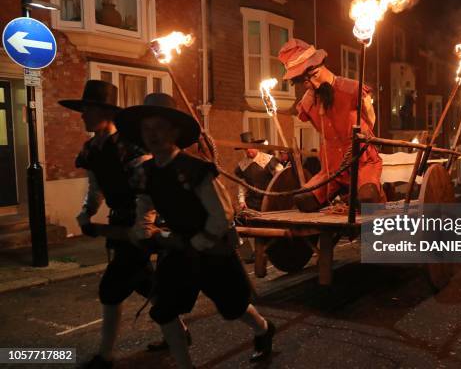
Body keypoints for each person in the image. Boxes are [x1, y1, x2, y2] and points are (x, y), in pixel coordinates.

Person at [115, 93, 275, 368]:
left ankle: (263, 329)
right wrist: (145, 230)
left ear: (174, 132)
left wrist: (198, 242)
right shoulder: (147, 172)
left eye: (160, 128)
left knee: (234, 307)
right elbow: (145, 203)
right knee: (164, 310)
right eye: (147, 129)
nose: (153, 135)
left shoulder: (197, 170)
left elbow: (222, 214)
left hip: (213, 249)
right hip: (178, 251)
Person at [59, 81, 183, 368]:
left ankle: (105, 356)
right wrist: (87, 213)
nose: (82, 115)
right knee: (147, 285)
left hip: (142, 224)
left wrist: (142, 226)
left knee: (111, 288)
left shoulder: (131, 146)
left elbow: (148, 190)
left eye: (87, 109)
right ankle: (179, 334)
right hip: (120, 225)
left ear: (104, 112)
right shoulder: (91, 148)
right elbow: (96, 187)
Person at [278, 38, 383, 212]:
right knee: (304, 200)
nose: (314, 84)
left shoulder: (353, 90)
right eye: (306, 82)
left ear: (323, 65)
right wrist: (309, 96)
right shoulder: (309, 103)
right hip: (331, 169)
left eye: (315, 75)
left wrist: (363, 138)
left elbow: (370, 119)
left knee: (367, 198)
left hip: (363, 162)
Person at [234, 132, 283, 211]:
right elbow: (242, 186)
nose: (248, 150)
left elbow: (282, 178)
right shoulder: (242, 165)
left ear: (257, 146)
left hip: (270, 202)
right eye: (246, 148)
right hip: (252, 204)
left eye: (251, 147)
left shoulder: (269, 160)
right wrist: (242, 201)